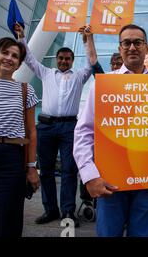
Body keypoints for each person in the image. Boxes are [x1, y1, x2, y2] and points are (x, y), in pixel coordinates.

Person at [73, 24, 148, 237]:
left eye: (137, 42)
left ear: (147, 48)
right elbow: (84, 132)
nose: (132, 47)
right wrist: (89, 176)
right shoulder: (104, 84)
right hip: (110, 181)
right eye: (127, 43)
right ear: (120, 48)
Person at [15, 24, 93, 227]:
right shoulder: (46, 73)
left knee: (69, 170)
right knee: (47, 170)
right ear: (57, 59)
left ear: (72, 61)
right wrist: (22, 37)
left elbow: (91, 63)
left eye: (67, 59)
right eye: (61, 58)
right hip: (47, 127)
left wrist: (86, 41)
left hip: (69, 128)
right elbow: (29, 59)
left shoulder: (79, 76)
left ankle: (68, 211)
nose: (64, 61)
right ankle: (50, 210)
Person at [0, 37, 40, 236]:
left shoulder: (25, 89)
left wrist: (31, 168)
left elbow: (31, 132)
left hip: (11, 159)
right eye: (5, 53)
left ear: (19, 64)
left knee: (8, 218)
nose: (9, 58)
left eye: (15, 56)